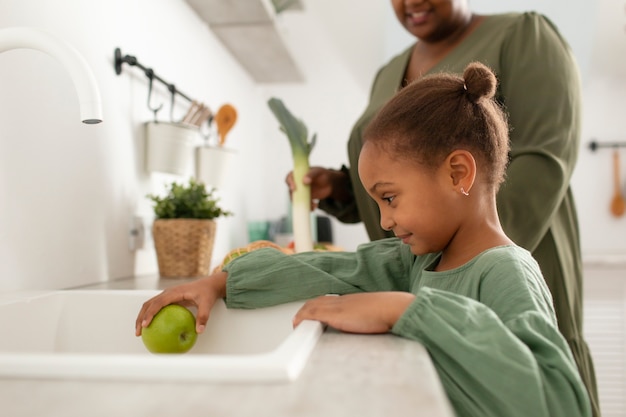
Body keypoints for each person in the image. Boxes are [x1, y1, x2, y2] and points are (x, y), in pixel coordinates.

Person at [137, 63, 591, 417]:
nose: (385, 220)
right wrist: (221, 282)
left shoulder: (507, 272)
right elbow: (334, 268)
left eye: (390, 198)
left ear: (458, 173)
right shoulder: (420, 260)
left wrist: (408, 310)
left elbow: (558, 402)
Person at [286, 2, 600, 415]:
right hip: (416, 281)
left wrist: (455, 281)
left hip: (495, 273)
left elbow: (544, 163)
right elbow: (406, 170)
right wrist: (343, 188)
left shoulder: (524, 35)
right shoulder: (389, 70)